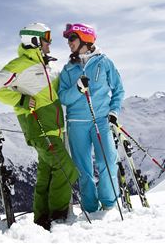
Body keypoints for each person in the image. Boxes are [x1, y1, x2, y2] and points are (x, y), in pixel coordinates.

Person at [0, 23, 79, 230]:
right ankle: (57, 217)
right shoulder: (20, 64)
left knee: (46, 174)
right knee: (66, 168)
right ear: (35, 40)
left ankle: (41, 220)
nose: (50, 42)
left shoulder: (45, 66)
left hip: (54, 128)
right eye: (46, 38)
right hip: (38, 127)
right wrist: (20, 99)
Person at [58, 23, 124, 213]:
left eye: (72, 38)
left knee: (107, 161)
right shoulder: (68, 69)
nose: (69, 43)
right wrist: (78, 89)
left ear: (85, 38)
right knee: (83, 168)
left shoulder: (104, 63)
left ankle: (109, 203)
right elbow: (63, 97)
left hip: (101, 120)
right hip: (76, 123)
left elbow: (118, 90)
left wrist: (114, 112)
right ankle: (89, 207)